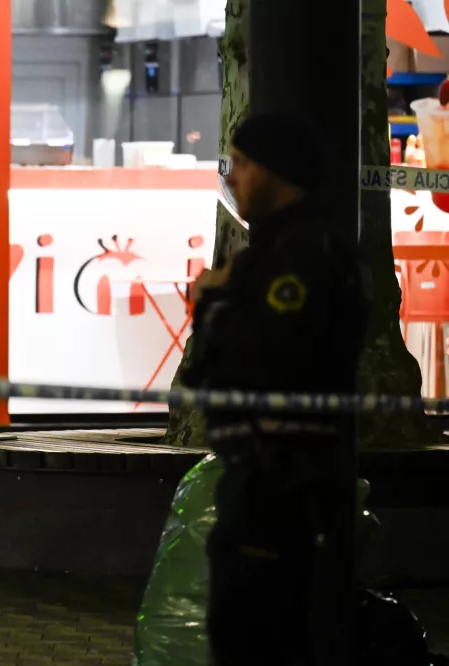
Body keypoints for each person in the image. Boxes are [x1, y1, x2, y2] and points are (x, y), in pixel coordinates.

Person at [181, 113, 369, 666]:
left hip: (284, 485)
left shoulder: (301, 257)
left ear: (276, 171)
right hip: (271, 478)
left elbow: (271, 356)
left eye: (241, 163)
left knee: (260, 638)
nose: (233, 177)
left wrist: (215, 301)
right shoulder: (278, 252)